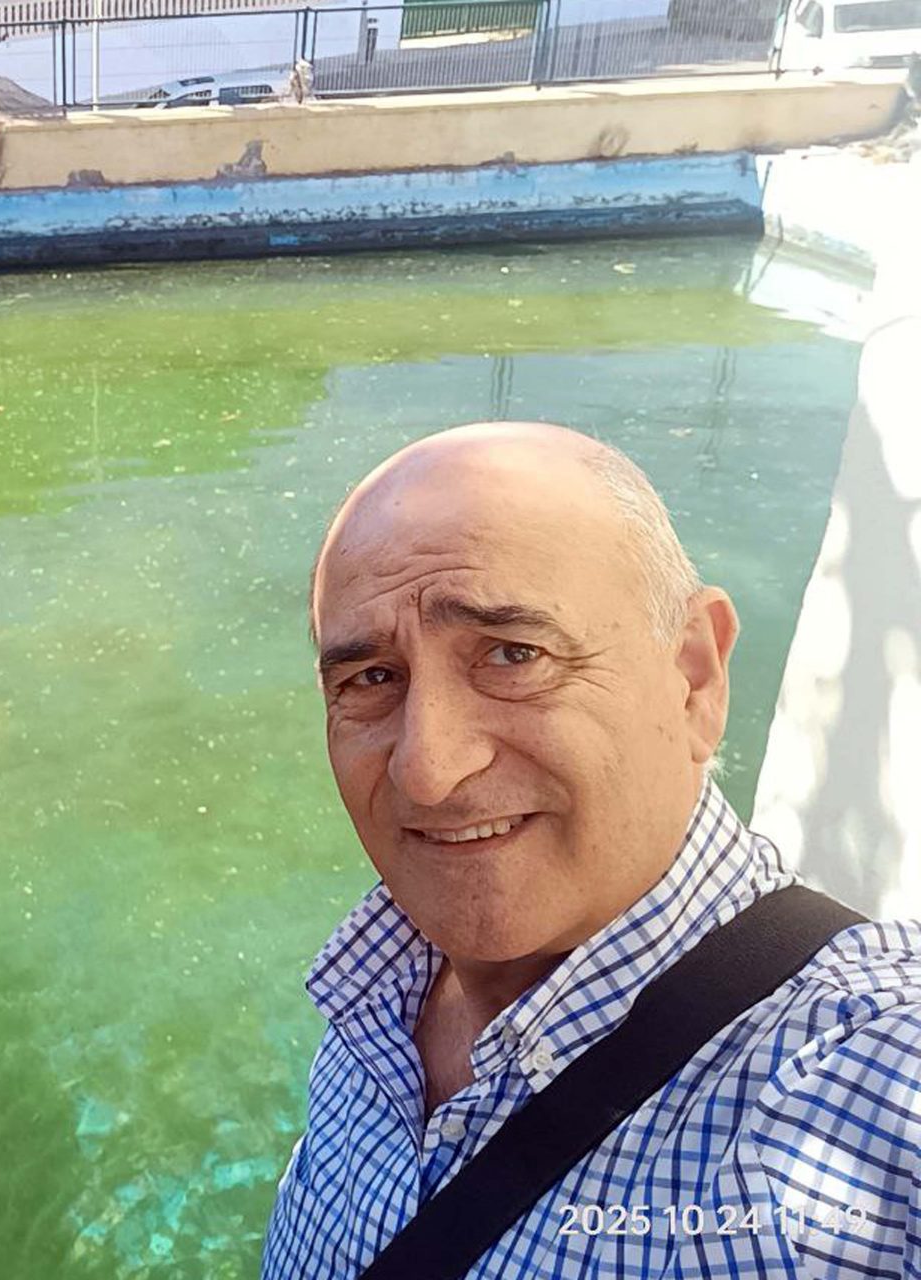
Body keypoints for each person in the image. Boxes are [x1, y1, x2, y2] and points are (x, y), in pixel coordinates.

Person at [262, 422, 921, 1278]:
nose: (427, 770)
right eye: (372, 678)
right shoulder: (376, 994)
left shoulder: (869, 1087)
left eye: (513, 654)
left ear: (694, 677)